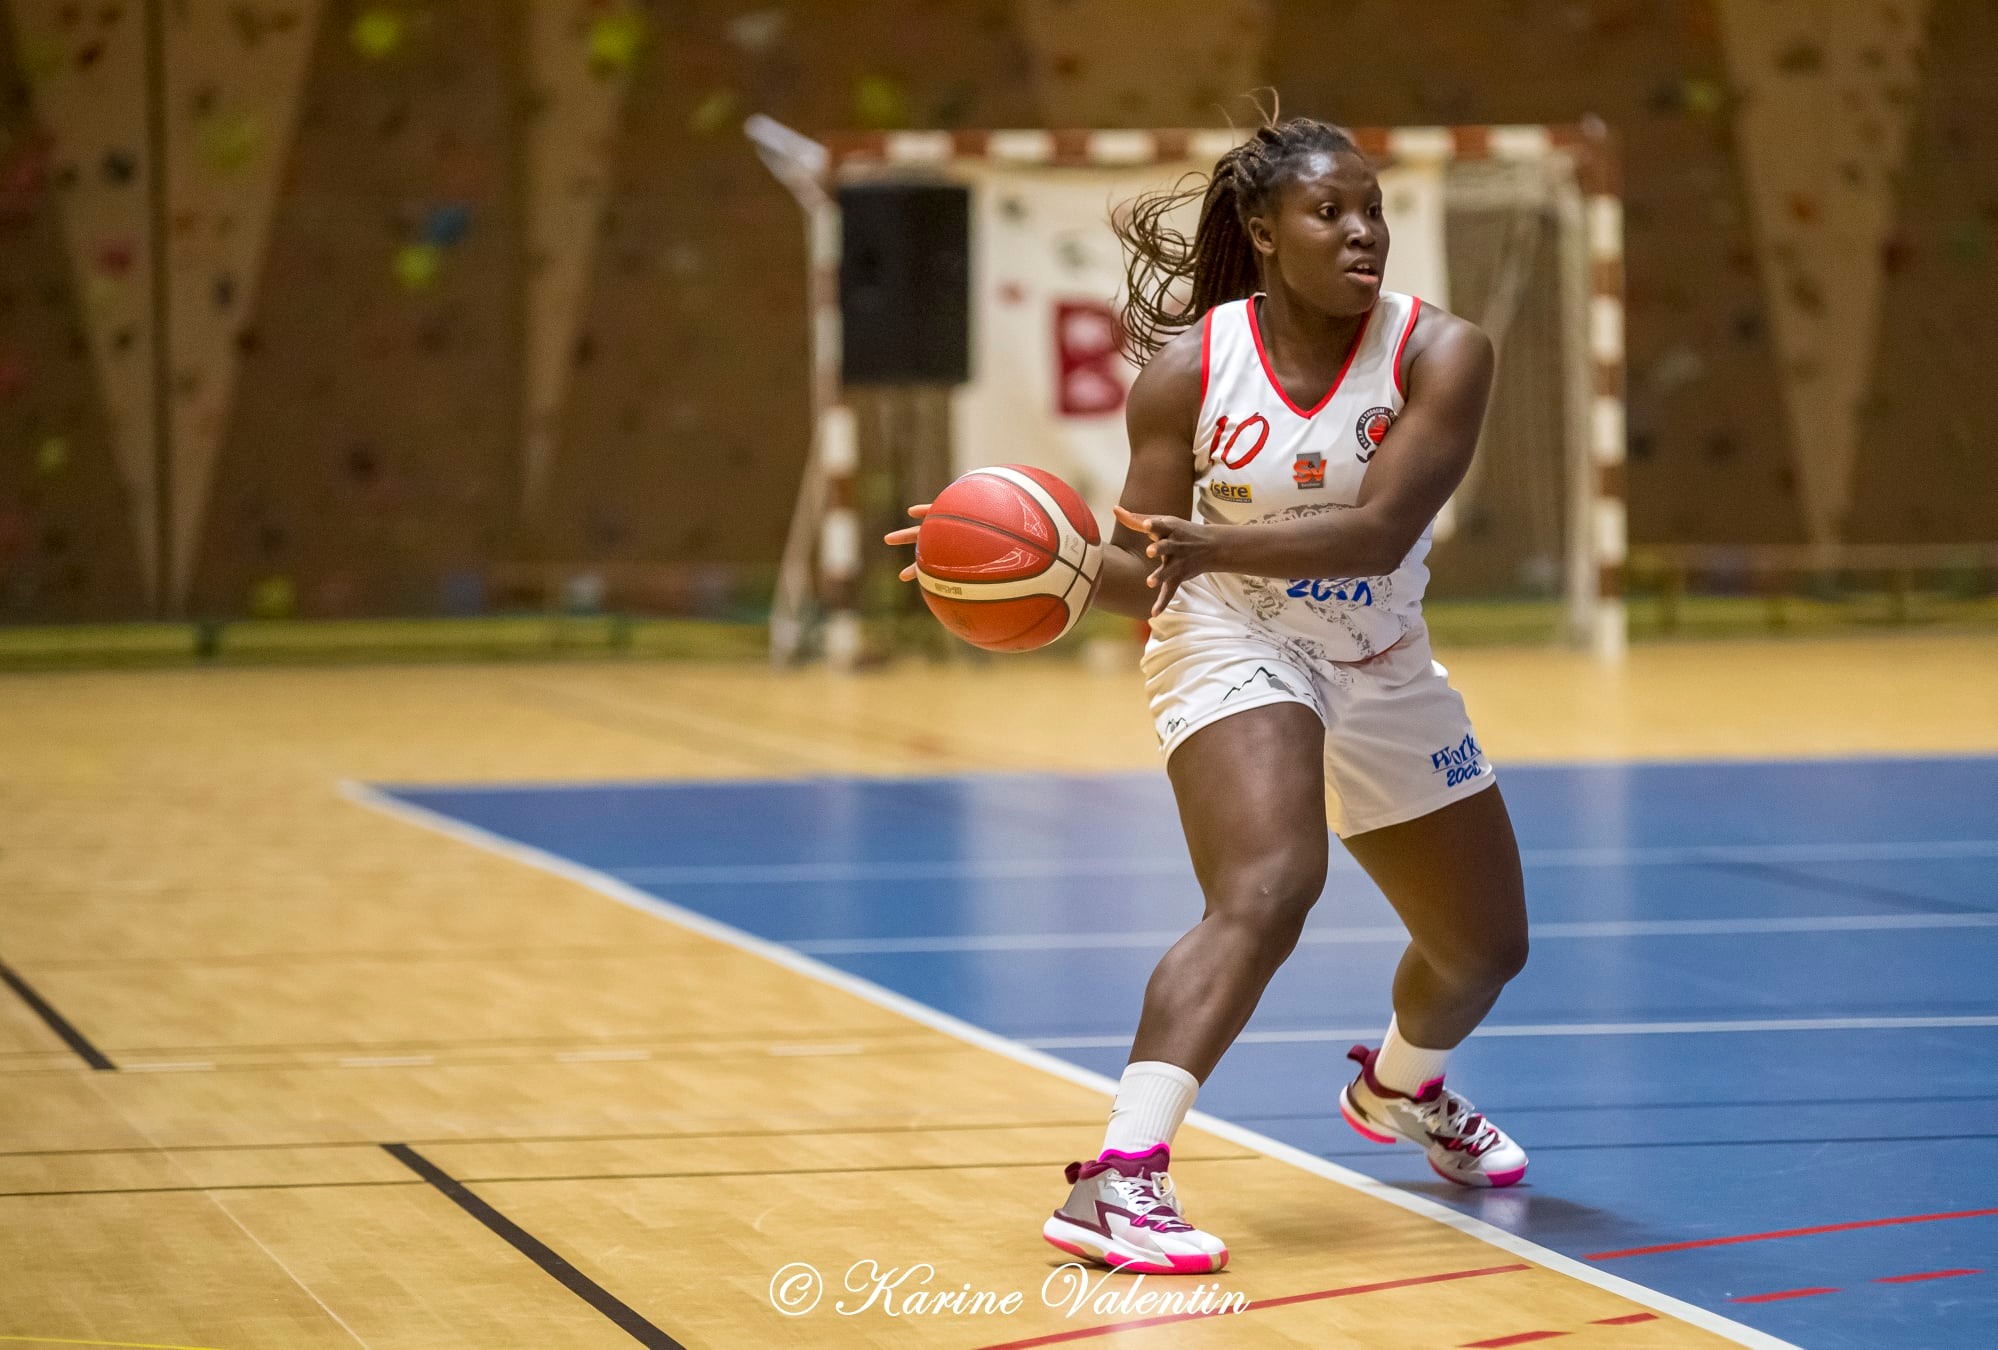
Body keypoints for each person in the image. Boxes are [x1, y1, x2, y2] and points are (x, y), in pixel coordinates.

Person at [887, 114, 1529, 1276]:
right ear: (1264, 232)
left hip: (1378, 648)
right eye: (1330, 212)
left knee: (1485, 948)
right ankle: (1119, 1181)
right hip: (1231, 639)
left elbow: (1381, 536)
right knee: (1272, 882)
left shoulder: (1444, 353)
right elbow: (1154, 571)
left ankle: (1399, 1089)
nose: (1361, 232)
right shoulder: (1189, 372)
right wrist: (1029, 563)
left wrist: (1212, 547)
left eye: (1372, 209)